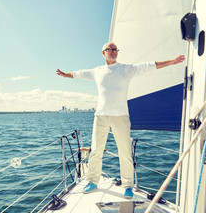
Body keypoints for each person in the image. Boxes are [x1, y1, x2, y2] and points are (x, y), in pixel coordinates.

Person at [56, 42, 184, 199]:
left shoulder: (126, 69)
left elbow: (149, 66)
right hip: (101, 116)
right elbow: (79, 73)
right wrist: (65, 74)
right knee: (96, 150)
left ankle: (128, 185)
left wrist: (171, 61)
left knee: (125, 152)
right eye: (110, 49)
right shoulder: (97, 71)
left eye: (116, 49)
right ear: (103, 52)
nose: (113, 51)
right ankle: (92, 181)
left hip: (121, 117)